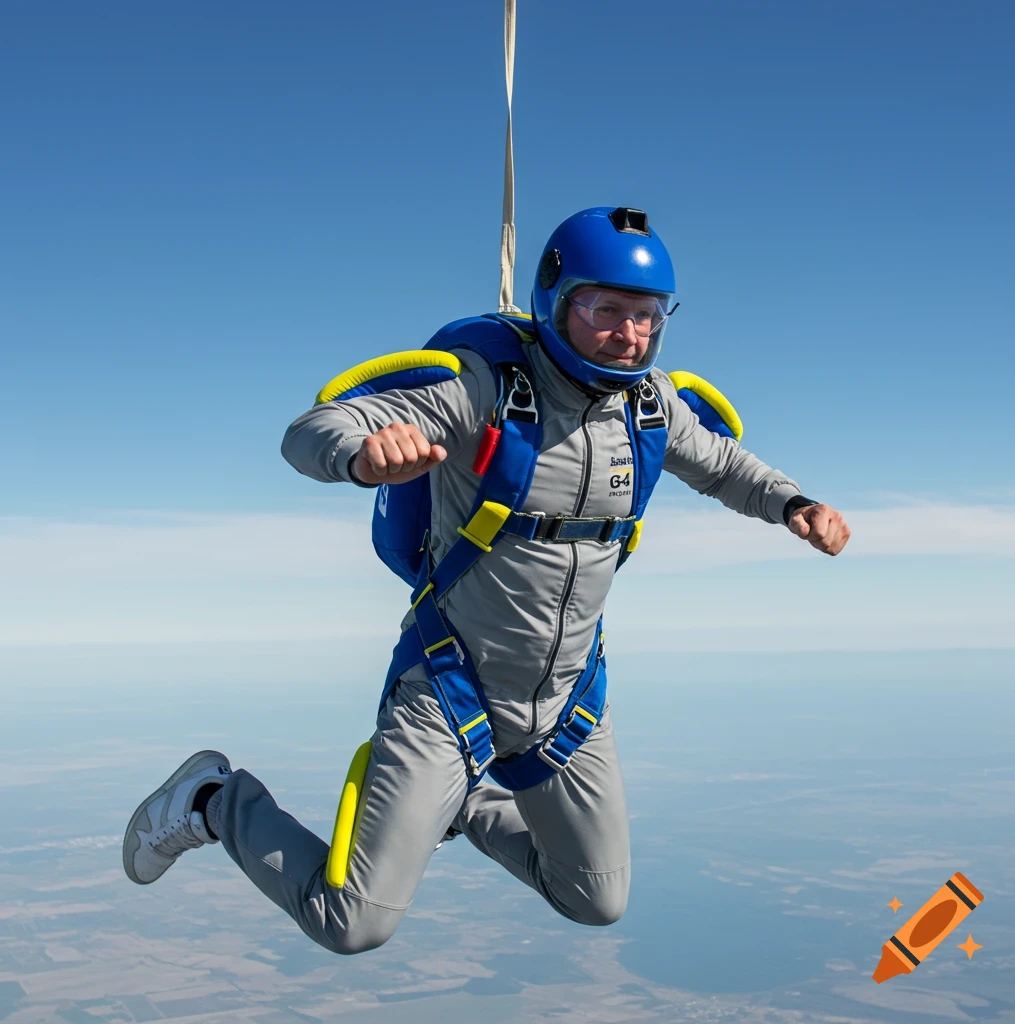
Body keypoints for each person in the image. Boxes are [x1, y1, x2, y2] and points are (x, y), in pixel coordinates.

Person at [122, 207, 849, 954]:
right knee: (353, 923)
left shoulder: (650, 406)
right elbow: (310, 431)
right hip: (451, 689)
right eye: (605, 310)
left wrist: (794, 504)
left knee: (595, 898)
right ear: (557, 301)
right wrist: (365, 454)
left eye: (647, 315)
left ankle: (460, 805)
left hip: (567, 699)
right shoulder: (486, 389)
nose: (630, 334)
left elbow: (725, 465)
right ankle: (214, 800)